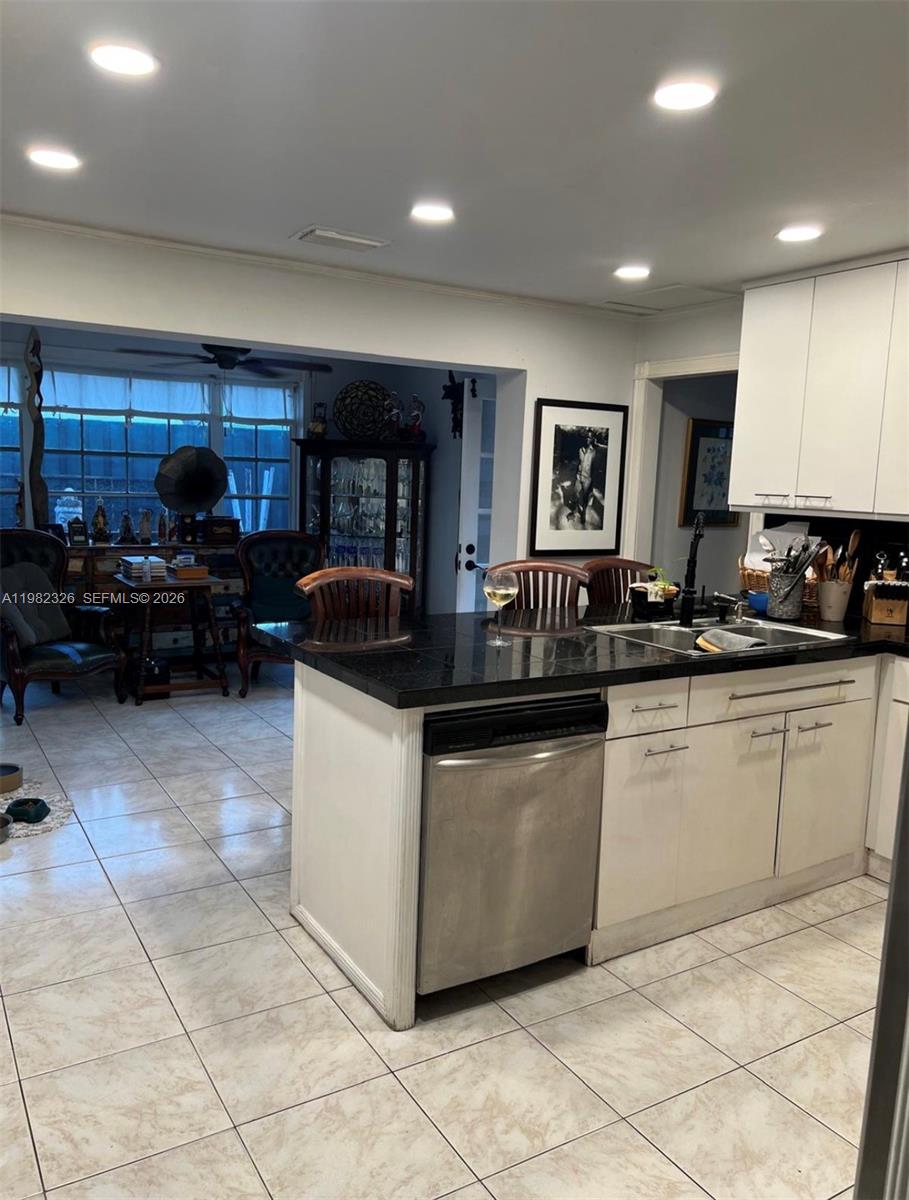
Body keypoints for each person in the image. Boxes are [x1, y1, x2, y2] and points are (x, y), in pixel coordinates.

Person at [575, 429, 606, 527]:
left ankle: (583, 513)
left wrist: (593, 481)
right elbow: (579, 463)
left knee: (584, 497)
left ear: (592, 439)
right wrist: (576, 473)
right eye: (586, 437)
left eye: (589, 437)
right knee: (576, 493)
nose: (587, 439)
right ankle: (579, 507)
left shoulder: (594, 452)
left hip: (588, 478)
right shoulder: (580, 450)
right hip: (579, 476)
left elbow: (596, 467)